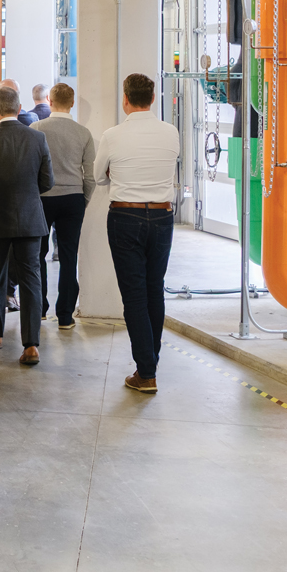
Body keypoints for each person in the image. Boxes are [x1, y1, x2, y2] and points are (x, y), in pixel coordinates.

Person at [95, 73, 181, 395]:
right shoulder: (170, 132)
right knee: (154, 290)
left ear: (125, 99)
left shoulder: (112, 135)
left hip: (125, 215)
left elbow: (98, 176)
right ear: (153, 98)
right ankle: (149, 363)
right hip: (162, 217)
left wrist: (116, 172)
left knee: (133, 295)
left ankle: (147, 372)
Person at [0, 85, 53, 365]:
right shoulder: (37, 138)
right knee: (31, 279)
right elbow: (47, 182)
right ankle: (31, 345)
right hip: (31, 220)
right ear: (20, 110)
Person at [31, 84, 95, 328]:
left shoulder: (36, 128)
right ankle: (66, 315)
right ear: (72, 102)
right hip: (73, 198)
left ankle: (39, 310)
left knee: (37, 255)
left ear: (49, 100)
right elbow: (89, 175)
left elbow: (30, 166)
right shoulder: (83, 133)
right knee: (69, 257)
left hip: (43, 198)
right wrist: (83, 199)